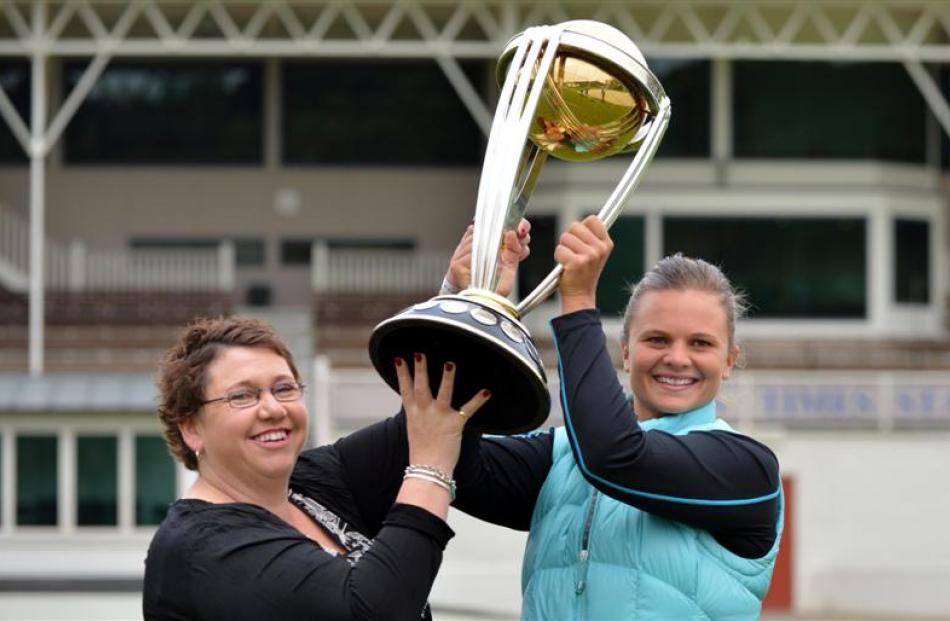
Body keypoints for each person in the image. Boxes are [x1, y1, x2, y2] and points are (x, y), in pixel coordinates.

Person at [141, 221, 530, 621]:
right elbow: (373, 612)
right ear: (191, 427)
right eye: (243, 395)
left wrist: (465, 301)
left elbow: (435, 412)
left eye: (284, 388)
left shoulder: (314, 484)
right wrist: (430, 471)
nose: (273, 408)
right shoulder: (199, 546)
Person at [444, 216, 783, 620]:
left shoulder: (747, 469)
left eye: (700, 344)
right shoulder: (563, 455)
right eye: (657, 339)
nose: (677, 357)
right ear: (625, 351)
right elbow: (442, 449)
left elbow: (613, 456)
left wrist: (578, 301)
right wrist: (466, 307)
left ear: (729, 362)